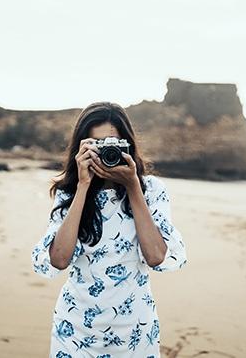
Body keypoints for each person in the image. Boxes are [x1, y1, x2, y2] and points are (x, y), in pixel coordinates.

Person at [31, 101, 188, 357]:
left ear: (128, 144)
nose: (107, 153)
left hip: (135, 330)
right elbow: (59, 259)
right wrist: (82, 186)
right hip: (75, 328)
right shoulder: (69, 192)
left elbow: (156, 256)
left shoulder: (151, 190)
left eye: (113, 144)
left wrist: (133, 186)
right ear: (82, 148)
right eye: (97, 145)